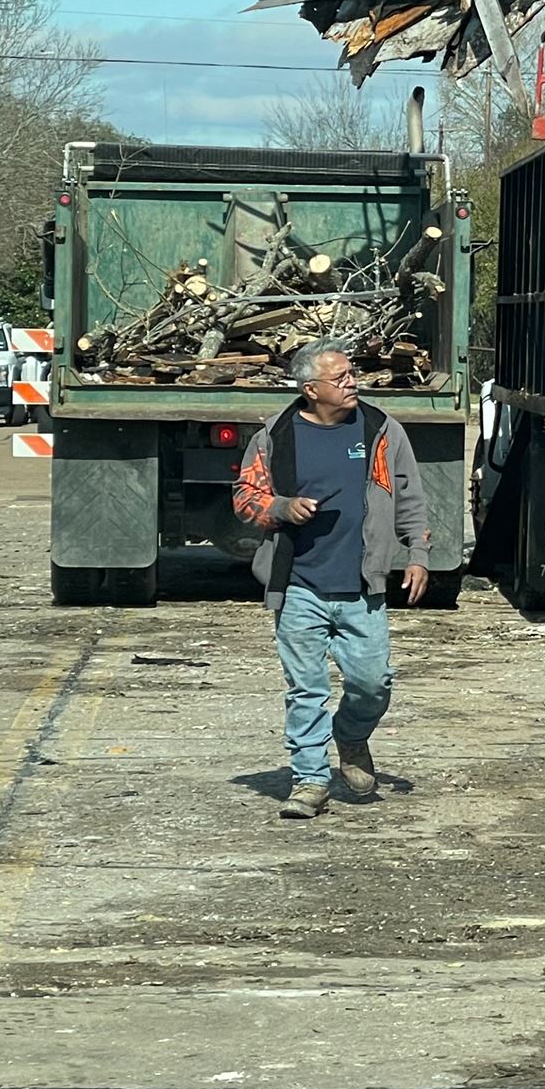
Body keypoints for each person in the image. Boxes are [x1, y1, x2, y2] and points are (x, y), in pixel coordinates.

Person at [232, 343, 433, 819]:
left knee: (373, 684)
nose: (351, 382)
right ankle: (310, 781)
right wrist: (283, 508)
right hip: (298, 586)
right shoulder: (275, 436)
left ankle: (352, 736)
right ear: (311, 389)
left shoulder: (380, 430)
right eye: (339, 377)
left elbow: (409, 495)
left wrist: (418, 555)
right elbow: (245, 498)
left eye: (351, 373)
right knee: (306, 689)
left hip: (362, 588)